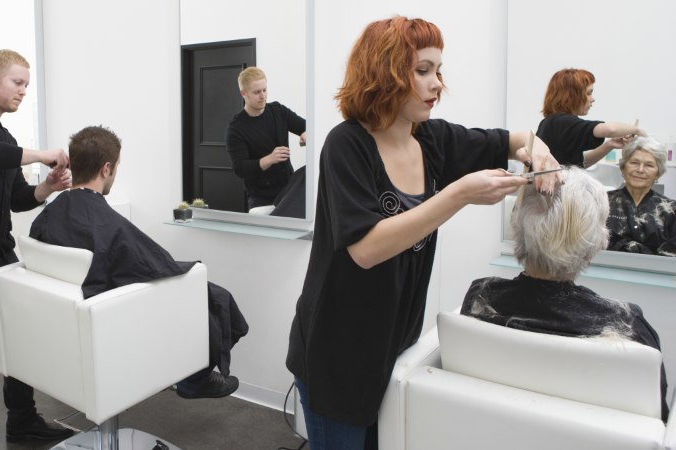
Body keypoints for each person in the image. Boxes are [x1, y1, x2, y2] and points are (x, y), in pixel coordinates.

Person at [284, 17, 561, 450]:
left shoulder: (430, 139)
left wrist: (538, 151)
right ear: (385, 73)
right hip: (336, 350)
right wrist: (457, 196)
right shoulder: (347, 146)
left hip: (395, 344)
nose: (437, 84)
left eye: (438, 71)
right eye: (422, 70)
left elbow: (515, 138)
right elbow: (366, 249)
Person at [29, 125, 248, 400]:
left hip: (62, 324)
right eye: (117, 167)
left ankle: (193, 376)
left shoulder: (50, 214)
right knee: (212, 295)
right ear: (106, 169)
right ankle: (194, 378)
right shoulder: (110, 226)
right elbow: (157, 266)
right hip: (110, 321)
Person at [461, 166, 669, 421]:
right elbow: (657, 417)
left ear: (517, 229)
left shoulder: (481, 297)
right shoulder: (627, 326)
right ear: (595, 246)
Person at [0, 49, 74, 448]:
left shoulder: (6, 137)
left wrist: (48, 188)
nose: (23, 91)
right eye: (17, 82)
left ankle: (22, 423)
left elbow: (19, 198)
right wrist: (41, 154)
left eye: (26, 84)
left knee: (22, 341)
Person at [226, 67, 307, 211]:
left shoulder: (278, 111)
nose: (263, 96)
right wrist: (270, 159)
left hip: (288, 191)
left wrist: (306, 133)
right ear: (243, 93)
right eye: (257, 92)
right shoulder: (236, 128)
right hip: (260, 198)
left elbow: (306, 126)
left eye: (265, 90)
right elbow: (240, 168)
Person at [536, 68, 645, 168]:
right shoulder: (561, 122)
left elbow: (578, 164)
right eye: (588, 93)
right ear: (571, 96)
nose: (592, 99)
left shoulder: (552, 123)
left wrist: (609, 145)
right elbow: (610, 129)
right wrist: (637, 130)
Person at [607, 136, 676, 256]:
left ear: (658, 174)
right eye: (634, 163)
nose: (640, 169)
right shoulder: (601, 202)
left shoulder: (672, 210)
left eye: (649, 165)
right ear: (623, 167)